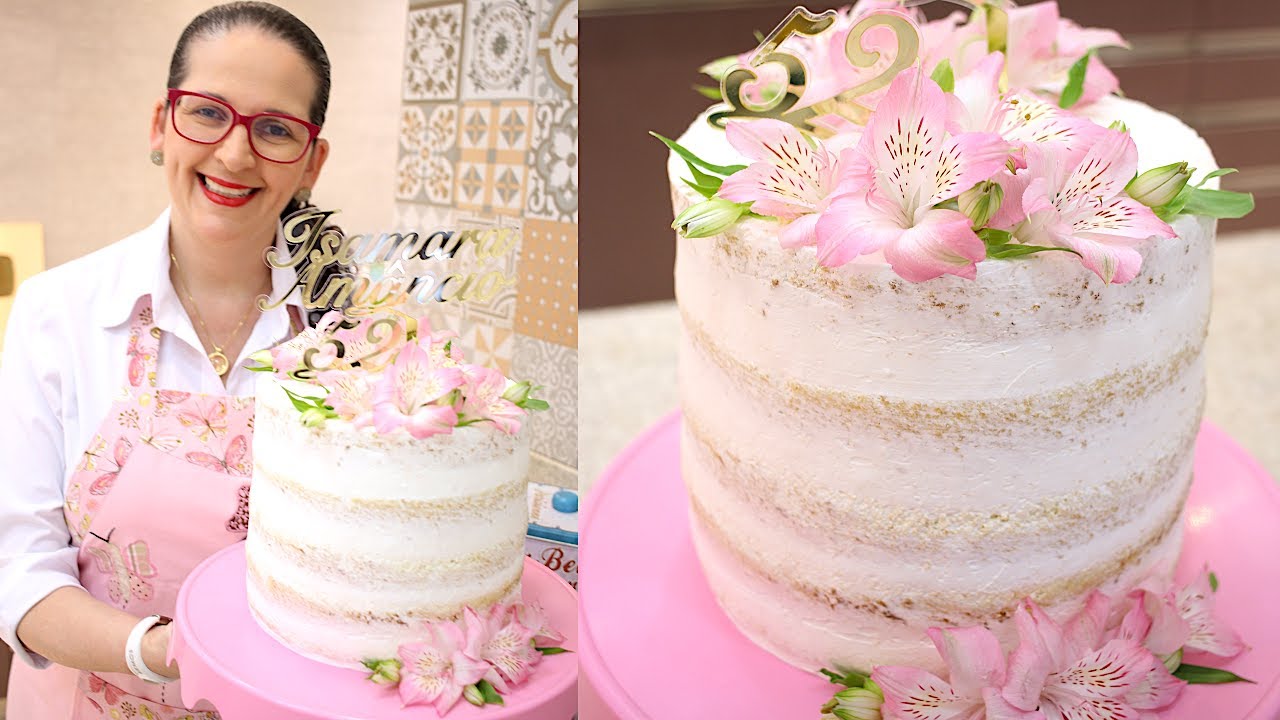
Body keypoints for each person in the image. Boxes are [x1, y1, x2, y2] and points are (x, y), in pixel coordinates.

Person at [0, 3, 332, 716]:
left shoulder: (352, 337)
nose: (236, 154)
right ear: (162, 125)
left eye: (275, 129)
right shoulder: (57, 312)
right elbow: (15, 570)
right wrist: (170, 653)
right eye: (208, 113)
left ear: (312, 162)